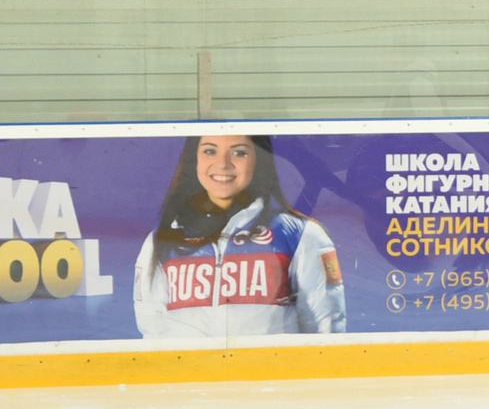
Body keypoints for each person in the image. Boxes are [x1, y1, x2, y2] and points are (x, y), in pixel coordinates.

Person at [134, 132, 346, 339]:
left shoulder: (300, 235)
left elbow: (325, 330)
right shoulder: (162, 240)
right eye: (209, 151)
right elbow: (153, 330)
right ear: (194, 160)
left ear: (259, 160)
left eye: (239, 153)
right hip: (191, 374)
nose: (223, 164)